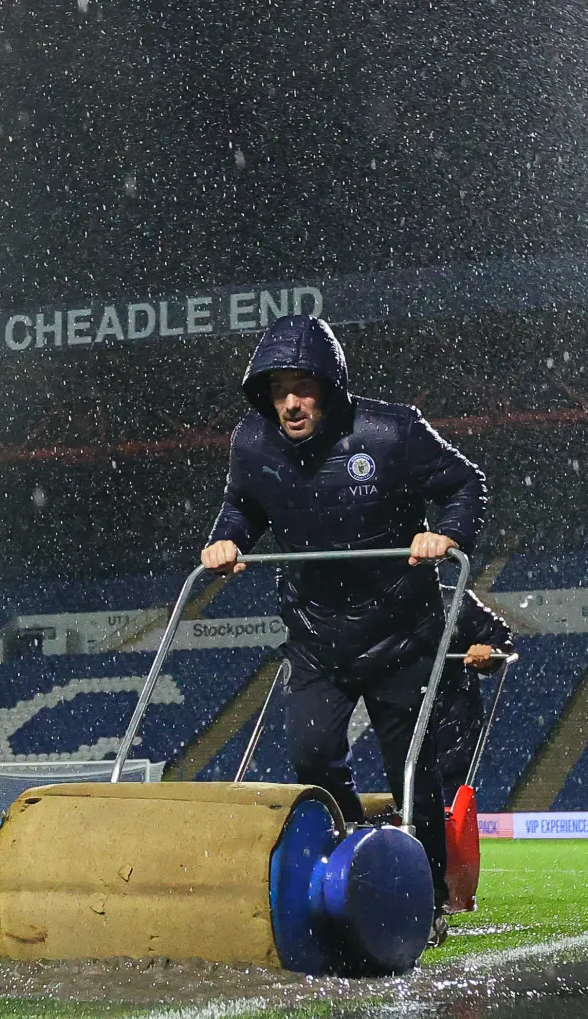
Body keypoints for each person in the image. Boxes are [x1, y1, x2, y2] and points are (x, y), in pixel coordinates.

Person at [201, 313, 486, 945]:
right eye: (279, 391)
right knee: (310, 753)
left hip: (400, 635)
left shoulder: (392, 431)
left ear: (329, 387)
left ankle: (427, 897)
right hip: (317, 637)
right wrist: (227, 539)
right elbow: (241, 505)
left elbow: (467, 484)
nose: (291, 403)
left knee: (412, 771)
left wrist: (447, 534)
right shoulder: (251, 443)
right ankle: (359, 856)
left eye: (303, 388)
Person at [433, 589, 514, 799]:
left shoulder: (455, 601)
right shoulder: (377, 602)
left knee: (445, 799)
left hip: (450, 722)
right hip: (400, 718)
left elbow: (499, 638)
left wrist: (489, 652)